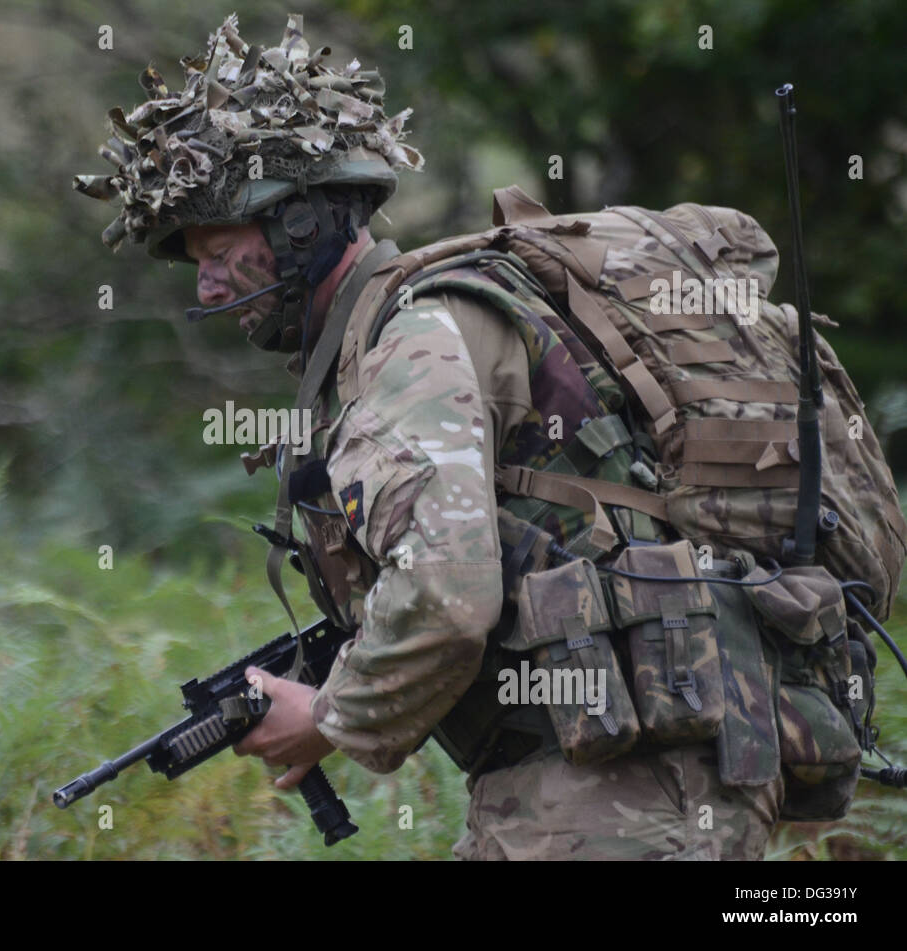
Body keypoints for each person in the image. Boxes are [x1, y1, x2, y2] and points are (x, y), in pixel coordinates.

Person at [75, 14, 783, 860]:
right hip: (621, 773)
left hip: (618, 793)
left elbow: (449, 597)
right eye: (196, 258)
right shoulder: (401, 332)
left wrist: (329, 717)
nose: (209, 280)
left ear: (302, 225)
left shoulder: (410, 344)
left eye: (220, 248)